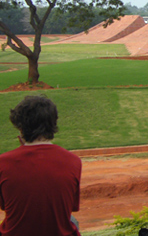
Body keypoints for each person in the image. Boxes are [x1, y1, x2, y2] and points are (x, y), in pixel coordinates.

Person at [0, 95, 82, 235]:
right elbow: (70, 208)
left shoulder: (3, 162)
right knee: (72, 220)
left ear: (20, 128)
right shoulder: (73, 161)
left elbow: (5, 206)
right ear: (53, 124)